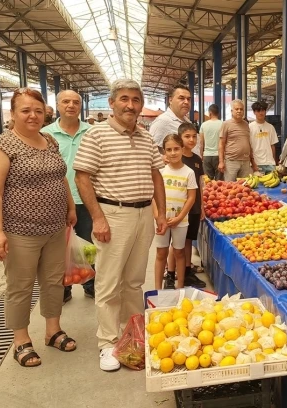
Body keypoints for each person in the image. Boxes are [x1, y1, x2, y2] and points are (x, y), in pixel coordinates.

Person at [73, 78, 167, 372]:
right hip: (113, 215)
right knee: (109, 282)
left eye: (135, 100)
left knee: (134, 282)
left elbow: (156, 176)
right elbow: (82, 177)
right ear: (111, 103)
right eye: (124, 99)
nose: (130, 105)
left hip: (142, 216)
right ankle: (107, 342)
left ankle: (132, 337)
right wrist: (98, 217)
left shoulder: (145, 136)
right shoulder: (97, 135)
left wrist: (161, 212)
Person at [0, 88, 78, 367]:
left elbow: (61, 178)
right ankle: (21, 340)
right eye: (25, 110)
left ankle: (53, 330)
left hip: (55, 227)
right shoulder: (2, 146)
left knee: (53, 281)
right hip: (19, 229)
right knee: (20, 286)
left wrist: (70, 207)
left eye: (38, 110)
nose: (33, 116)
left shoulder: (48, 140)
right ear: (13, 114)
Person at [42, 90, 96, 302]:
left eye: (75, 102)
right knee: (57, 248)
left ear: (80, 106)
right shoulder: (46, 134)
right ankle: (62, 288)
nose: (71, 105)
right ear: (57, 106)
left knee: (89, 245)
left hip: (87, 198)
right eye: (66, 101)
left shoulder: (92, 132)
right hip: (56, 201)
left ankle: (90, 283)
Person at [162, 123, 206, 289]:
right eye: (187, 136)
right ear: (180, 140)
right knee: (176, 244)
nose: (192, 140)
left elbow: (200, 184)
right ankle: (171, 274)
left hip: (193, 206)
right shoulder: (176, 159)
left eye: (194, 136)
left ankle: (186, 272)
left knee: (187, 241)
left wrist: (201, 206)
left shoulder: (196, 159)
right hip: (177, 209)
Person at [154, 134, 197, 290]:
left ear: (182, 149)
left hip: (181, 221)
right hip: (162, 220)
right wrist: (158, 216)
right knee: (161, 253)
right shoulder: (160, 171)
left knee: (179, 252)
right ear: (164, 152)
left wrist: (180, 217)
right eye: (169, 150)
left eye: (176, 149)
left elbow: (191, 198)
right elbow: (153, 195)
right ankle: (157, 289)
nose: (173, 153)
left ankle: (180, 287)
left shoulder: (189, 173)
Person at [150, 84, 201, 157]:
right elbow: (151, 150)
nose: (186, 102)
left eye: (188, 99)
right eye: (181, 98)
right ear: (170, 100)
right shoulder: (162, 122)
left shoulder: (187, 121)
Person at [218, 99, 257, 181]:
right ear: (232, 111)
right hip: (231, 162)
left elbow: (248, 143)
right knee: (230, 187)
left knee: (245, 187)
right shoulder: (226, 124)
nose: (239, 111)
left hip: (246, 162)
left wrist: (253, 162)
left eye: (241, 109)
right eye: (237, 109)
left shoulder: (246, 124)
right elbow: (221, 144)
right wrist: (221, 162)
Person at [249, 101, 279, 174]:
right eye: (258, 111)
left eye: (263, 110)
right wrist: (252, 163)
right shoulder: (249, 127)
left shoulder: (270, 127)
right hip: (257, 163)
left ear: (265, 111)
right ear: (254, 112)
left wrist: (273, 161)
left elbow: (273, 146)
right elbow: (249, 147)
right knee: (257, 184)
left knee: (272, 184)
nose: (260, 113)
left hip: (270, 163)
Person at [200, 104, 223, 180]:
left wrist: (201, 155)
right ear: (218, 113)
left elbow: (201, 143)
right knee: (219, 181)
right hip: (219, 156)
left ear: (210, 113)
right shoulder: (223, 124)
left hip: (207, 155)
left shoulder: (203, 125)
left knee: (207, 181)